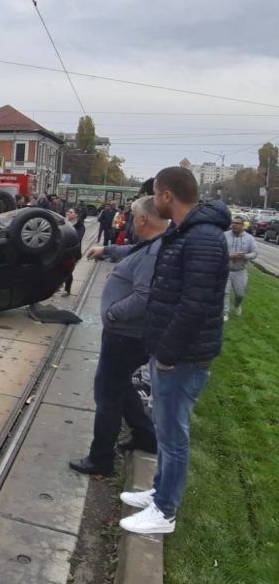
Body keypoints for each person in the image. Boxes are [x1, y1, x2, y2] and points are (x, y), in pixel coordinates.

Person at [119, 167, 229, 535]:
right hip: (175, 352)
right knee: (166, 431)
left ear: (167, 196)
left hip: (182, 357)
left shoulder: (201, 238)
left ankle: (165, 512)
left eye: (157, 195)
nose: (155, 202)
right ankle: (160, 492)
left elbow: (194, 306)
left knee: (173, 434)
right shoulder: (190, 234)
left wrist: (166, 353)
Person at [69, 196, 165, 476]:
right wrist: (107, 249)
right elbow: (134, 251)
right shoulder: (153, 245)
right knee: (121, 386)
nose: (131, 221)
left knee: (107, 394)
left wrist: (114, 313)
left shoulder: (153, 253)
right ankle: (147, 437)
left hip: (125, 335)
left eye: (134, 216)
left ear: (144, 220)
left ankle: (100, 458)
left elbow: (143, 297)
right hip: (129, 335)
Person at [223, 214, 257, 320]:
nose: (234, 225)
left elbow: (255, 253)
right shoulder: (224, 235)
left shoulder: (249, 238)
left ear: (242, 225)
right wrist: (229, 256)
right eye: (233, 223)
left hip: (240, 270)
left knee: (240, 294)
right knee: (225, 292)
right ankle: (225, 313)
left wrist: (245, 256)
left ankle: (238, 305)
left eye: (237, 223)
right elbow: (219, 250)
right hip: (226, 269)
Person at [60, 207, 86, 295]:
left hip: (73, 252)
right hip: (62, 251)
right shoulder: (63, 223)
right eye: (67, 211)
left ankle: (67, 290)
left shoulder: (80, 226)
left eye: (70, 212)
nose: (68, 213)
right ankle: (58, 285)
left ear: (76, 215)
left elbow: (77, 238)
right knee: (58, 270)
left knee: (68, 271)